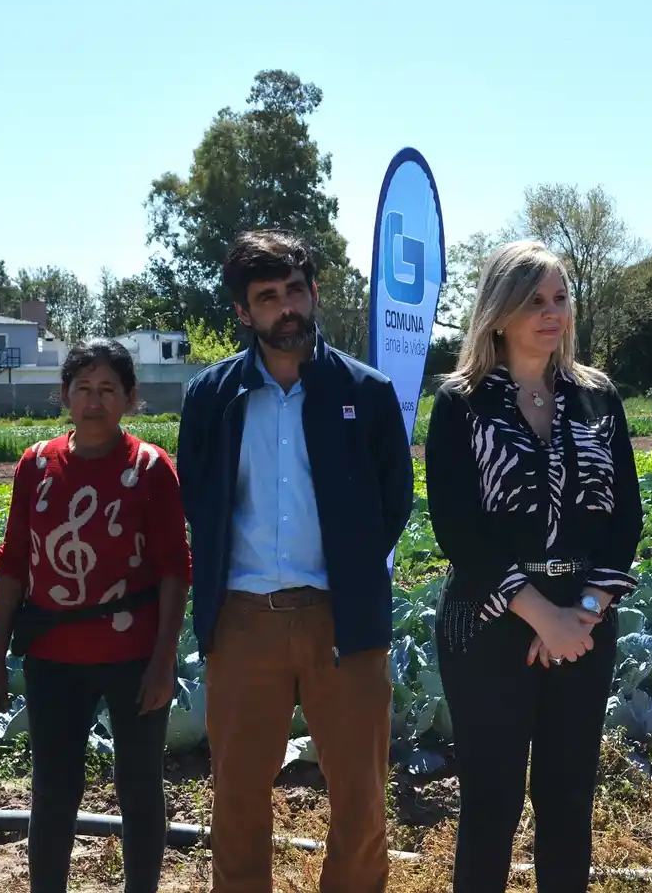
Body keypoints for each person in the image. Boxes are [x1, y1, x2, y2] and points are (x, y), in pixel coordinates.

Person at [177, 231, 415, 893]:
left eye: (295, 291)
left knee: (362, 799)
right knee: (238, 798)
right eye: (267, 297)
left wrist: (352, 569)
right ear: (242, 312)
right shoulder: (212, 397)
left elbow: (394, 499)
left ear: (313, 293)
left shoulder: (365, 393)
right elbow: (197, 495)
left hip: (343, 622)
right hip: (243, 620)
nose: (286, 308)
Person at [424, 240, 643, 893]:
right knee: (491, 806)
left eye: (560, 298)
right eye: (534, 301)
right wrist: (541, 616)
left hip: (583, 625)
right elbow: (458, 528)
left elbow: (625, 520)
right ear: (498, 313)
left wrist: (579, 616)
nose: (553, 314)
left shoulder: (597, 397)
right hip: (490, 625)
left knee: (569, 801)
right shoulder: (461, 403)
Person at [0, 339, 190, 893]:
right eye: (83, 389)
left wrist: (164, 660)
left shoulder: (151, 469)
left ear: (129, 398)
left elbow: (175, 569)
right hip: (54, 656)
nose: (94, 403)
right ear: (65, 396)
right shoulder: (36, 465)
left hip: (133, 657)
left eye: (107, 391)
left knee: (140, 785)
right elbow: (13, 564)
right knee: (53, 789)